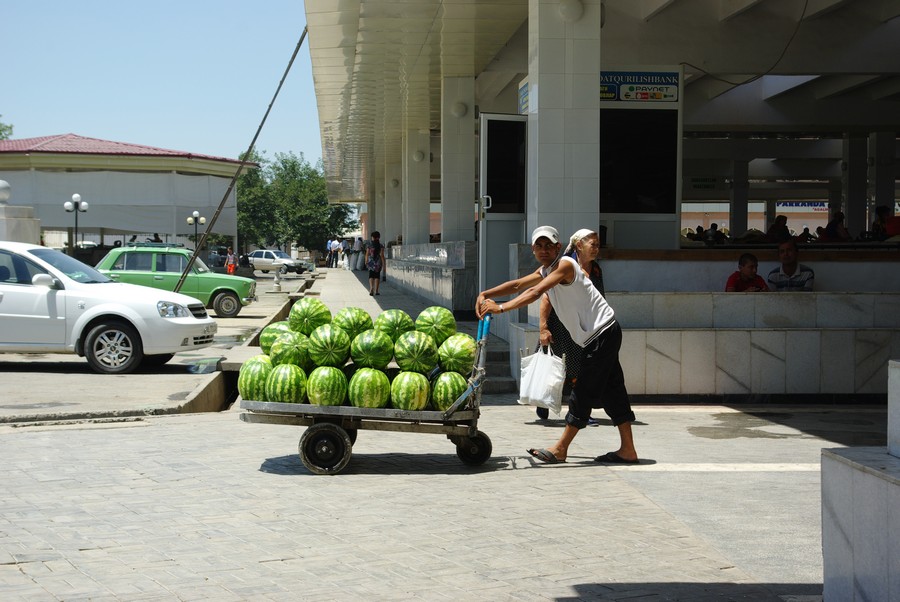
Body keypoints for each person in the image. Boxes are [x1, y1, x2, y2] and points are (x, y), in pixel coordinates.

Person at [475, 226, 639, 465]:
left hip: (602, 334)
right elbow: (520, 284)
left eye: (549, 245)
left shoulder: (565, 265)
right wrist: (485, 293)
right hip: (602, 334)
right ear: (533, 250)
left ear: (558, 247)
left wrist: (500, 308)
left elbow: (535, 291)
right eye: (538, 246)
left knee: (583, 390)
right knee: (613, 390)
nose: (544, 250)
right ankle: (628, 450)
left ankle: (561, 449)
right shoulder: (546, 270)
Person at [535, 229, 606, 423]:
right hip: (559, 326)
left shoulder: (596, 270)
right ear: (579, 246)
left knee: (581, 371)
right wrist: (543, 328)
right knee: (551, 366)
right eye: (593, 245)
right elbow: (546, 297)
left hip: (582, 330)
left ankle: (580, 411)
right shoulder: (565, 267)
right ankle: (543, 401)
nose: (596, 249)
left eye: (598, 245)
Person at [366, 231, 385, 295]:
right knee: (377, 276)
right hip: (378, 262)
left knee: (371, 275)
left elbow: (367, 254)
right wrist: (384, 264)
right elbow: (382, 256)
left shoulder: (369, 245)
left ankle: (371, 288)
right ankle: (376, 291)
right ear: (379, 237)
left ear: (373, 237)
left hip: (371, 262)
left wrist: (366, 261)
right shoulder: (381, 246)